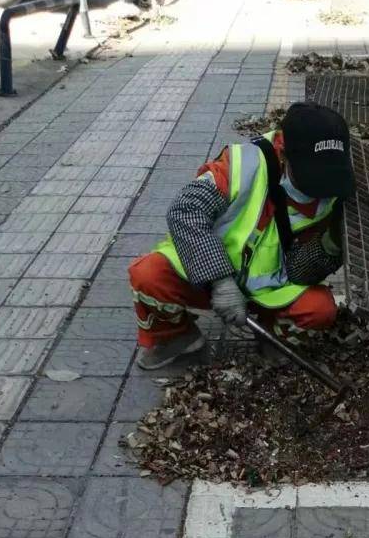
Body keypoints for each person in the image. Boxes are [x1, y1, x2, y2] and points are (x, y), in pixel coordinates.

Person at [128, 102, 354, 370]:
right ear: (284, 152)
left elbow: (301, 272)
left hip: (273, 288)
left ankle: (271, 337)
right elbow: (185, 211)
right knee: (148, 274)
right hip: (210, 280)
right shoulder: (240, 166)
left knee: (319, 309)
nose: (320, 189)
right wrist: (220, 281)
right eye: (311, 176)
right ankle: (177, 338)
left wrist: (329, 247)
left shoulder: (336, 187)